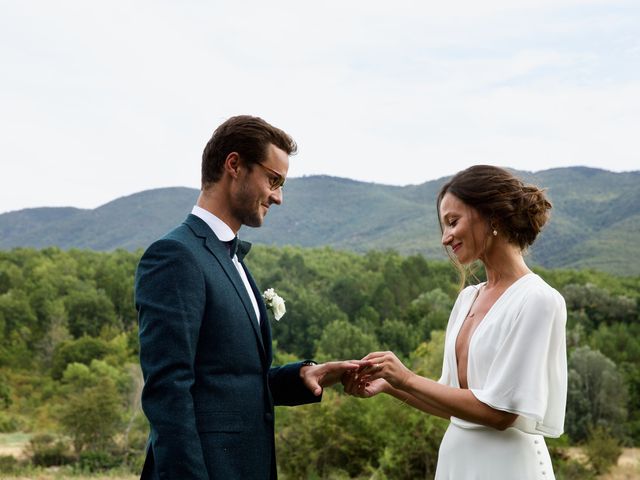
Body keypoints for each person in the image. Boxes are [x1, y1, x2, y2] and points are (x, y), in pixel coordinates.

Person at [135, 115, 363, 479]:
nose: (279, 197)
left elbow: (227, 381)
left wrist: (302, 376)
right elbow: (168, 392)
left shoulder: (233, 260)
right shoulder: (175, 256)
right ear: (234, 165)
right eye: (273, 180)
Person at [343, 165, 567, 479]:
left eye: (452, 222)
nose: (445, 239)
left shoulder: (538, 300)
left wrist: (406, 377)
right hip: (457, 460)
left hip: (507, 466)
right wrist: (390, 385)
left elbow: (501, 413)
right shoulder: (468, 299)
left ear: (493, 217)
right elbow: (452, 401)